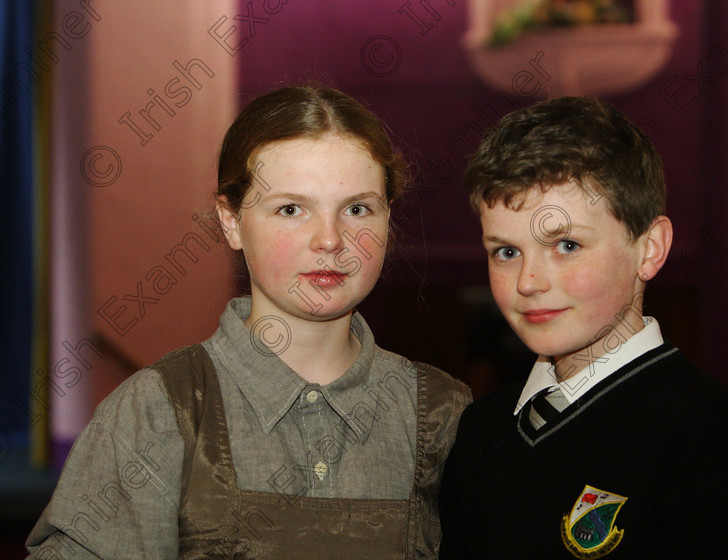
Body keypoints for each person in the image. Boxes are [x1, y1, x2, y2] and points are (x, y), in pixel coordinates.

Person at [27, 86, 471, 559]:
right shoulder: (161, 410)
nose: (330, 239)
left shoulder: (444, 414)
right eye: (290, 209)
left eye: (357, 209)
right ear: (231, 221)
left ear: (388, 219)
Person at [438, 97, 728, 559]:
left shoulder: (705, 428)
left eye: (566, 244)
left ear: (649, 249)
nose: (528, 282)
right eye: (506, 251)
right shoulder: (482, 429)